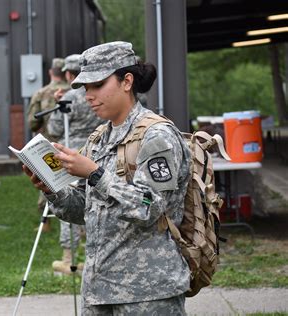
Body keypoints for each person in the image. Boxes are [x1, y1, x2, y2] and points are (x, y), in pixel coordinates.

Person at [24, 41, 191, 315]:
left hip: (148, 293)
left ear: (127, 81)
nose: (89, 95)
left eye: (97, 85)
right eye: (85, 88)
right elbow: (84, 210)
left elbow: (150, 208)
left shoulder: (157, 136)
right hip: (99, 290)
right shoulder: (99, 139)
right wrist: (52, 189)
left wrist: (94, 173)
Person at [47, 54, 105, 275]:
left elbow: (54, 128)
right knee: (96, 200)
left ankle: (68, 258)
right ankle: (94, 252)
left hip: (73, 151)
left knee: (71, 199)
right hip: (98, 151)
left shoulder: (70, 97)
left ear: (69, 75)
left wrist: (58, 103)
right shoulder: (99, 95)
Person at [27, 58, 69, 232]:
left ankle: (46, 223)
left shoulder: (41, 93)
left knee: (47, 179)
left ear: (51, 72)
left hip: (48, 145)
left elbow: (32, 122)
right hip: (71, 143)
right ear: (66, 73)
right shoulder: (76, 92)